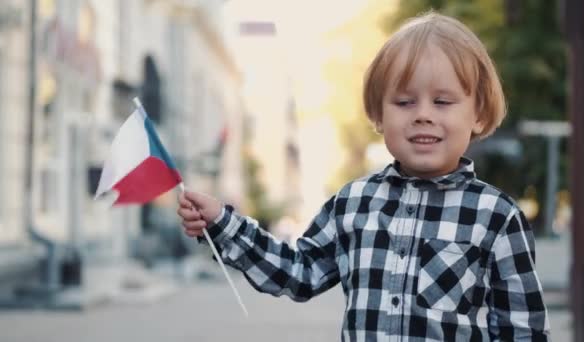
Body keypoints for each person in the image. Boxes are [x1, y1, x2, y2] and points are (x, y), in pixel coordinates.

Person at [177, 11, 550, 341]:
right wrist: (223, 223)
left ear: (479, 114)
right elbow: (298, 272)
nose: (423, 114)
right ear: (378, 115)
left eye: (442, 101)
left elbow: (522, 329)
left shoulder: (497, 217)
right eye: (404, 102)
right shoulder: (353, 203)